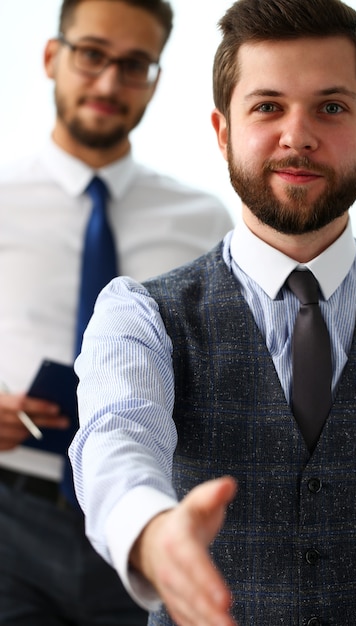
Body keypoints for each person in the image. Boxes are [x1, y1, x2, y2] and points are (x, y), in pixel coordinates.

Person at [71, 0, 356, 623]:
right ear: (223, 130)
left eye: (331, 107)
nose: (298, 135)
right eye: (268, 107)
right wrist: (151, 532)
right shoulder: (141, 316)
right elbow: (116, 436)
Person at [0, 0, 233, 624]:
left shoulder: (203, 221)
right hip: (11, 520)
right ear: (53, 57)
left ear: (155, 79)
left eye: (134, 65)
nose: (109, 83)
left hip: (149, 522)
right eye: (92, 55)